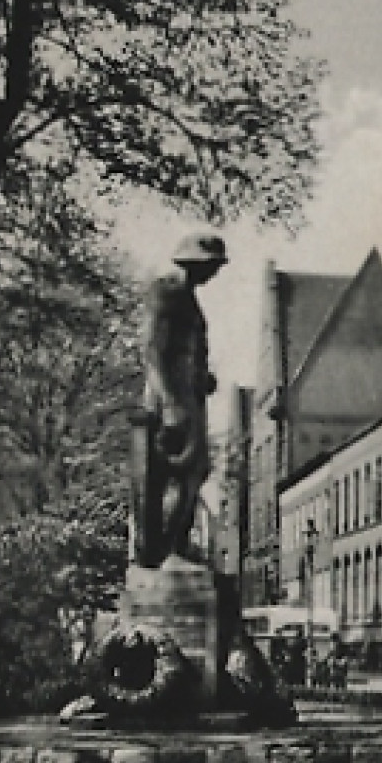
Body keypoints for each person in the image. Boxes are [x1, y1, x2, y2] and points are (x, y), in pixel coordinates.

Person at [139, 233, 227, 566]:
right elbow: (154, 353)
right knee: (176, 473)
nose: (214, 274)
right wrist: (170, 402)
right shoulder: (168, 293)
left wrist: (203, 378)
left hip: (189, 398)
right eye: (212, 266)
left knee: (195, 471)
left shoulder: (187, 297)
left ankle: (173, 548)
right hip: (172, 402)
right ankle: (162, 554)